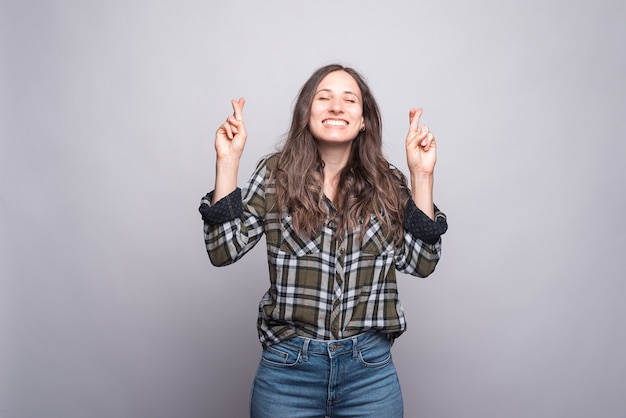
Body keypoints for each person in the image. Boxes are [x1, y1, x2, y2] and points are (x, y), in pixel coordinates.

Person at [199, 64, 448, 418]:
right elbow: (222, 250)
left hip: (369, 375)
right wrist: (227, 162)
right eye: (324, 97)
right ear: (307, 113)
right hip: (287, 372)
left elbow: (421, 262)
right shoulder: (274, 176)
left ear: (363, 120)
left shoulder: (388, 184)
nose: (336, 107)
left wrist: (421, 176)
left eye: (349, 100)